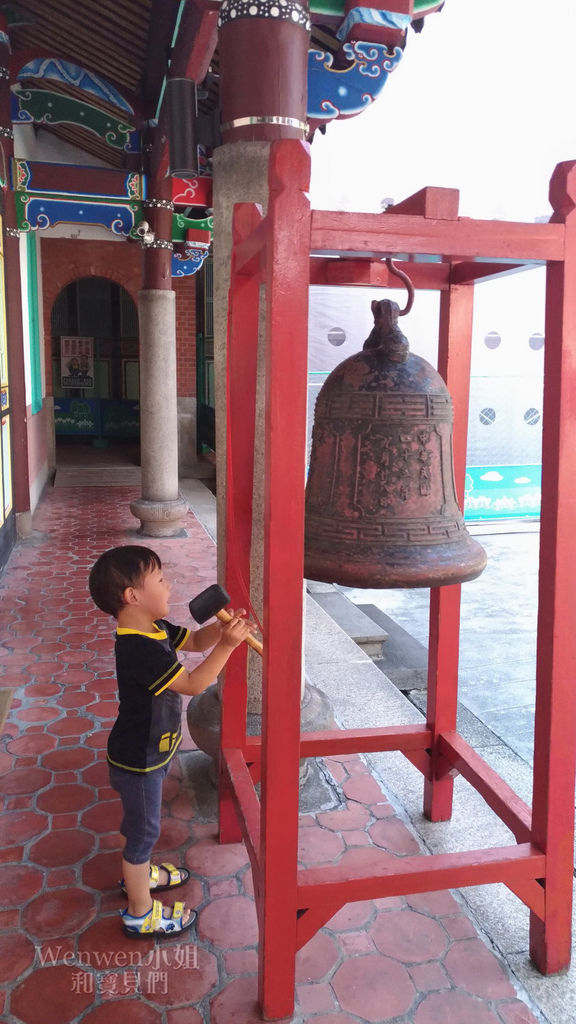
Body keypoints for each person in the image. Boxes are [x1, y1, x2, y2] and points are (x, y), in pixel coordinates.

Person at [88, 544, 255, 939]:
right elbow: (195, 685)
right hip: (137, 759)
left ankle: (141, 875)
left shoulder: (154, 628)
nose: (169, 586)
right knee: (143, 833)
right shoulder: (137, 649)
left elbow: (196, 643)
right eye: (160, 580)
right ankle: (139, 910)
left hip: (149, 751)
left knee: (145, 824)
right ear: (133, 597)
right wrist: (230, 646)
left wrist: (223, 628)